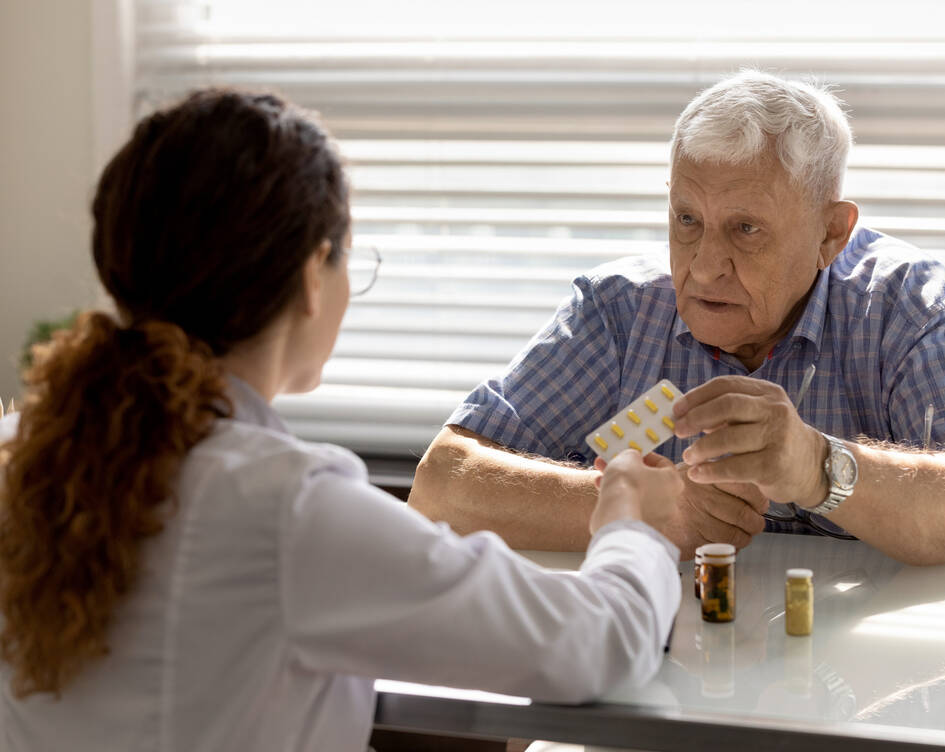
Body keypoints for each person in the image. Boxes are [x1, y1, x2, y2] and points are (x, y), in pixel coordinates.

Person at [0, 90, 683, 752]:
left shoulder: (20, 455)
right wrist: (629, 519)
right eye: (349, 257)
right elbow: (598, 648)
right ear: (311, 277)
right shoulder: (284, 508)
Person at [409, 70, 945, 566]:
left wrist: (815, 466)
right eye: (687, 220)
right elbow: (441, 488)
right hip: (661, 665)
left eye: (746, 229)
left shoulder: (907, 306)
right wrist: (645, 513)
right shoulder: (621, 309)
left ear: (831, 234)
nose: (703, 269)